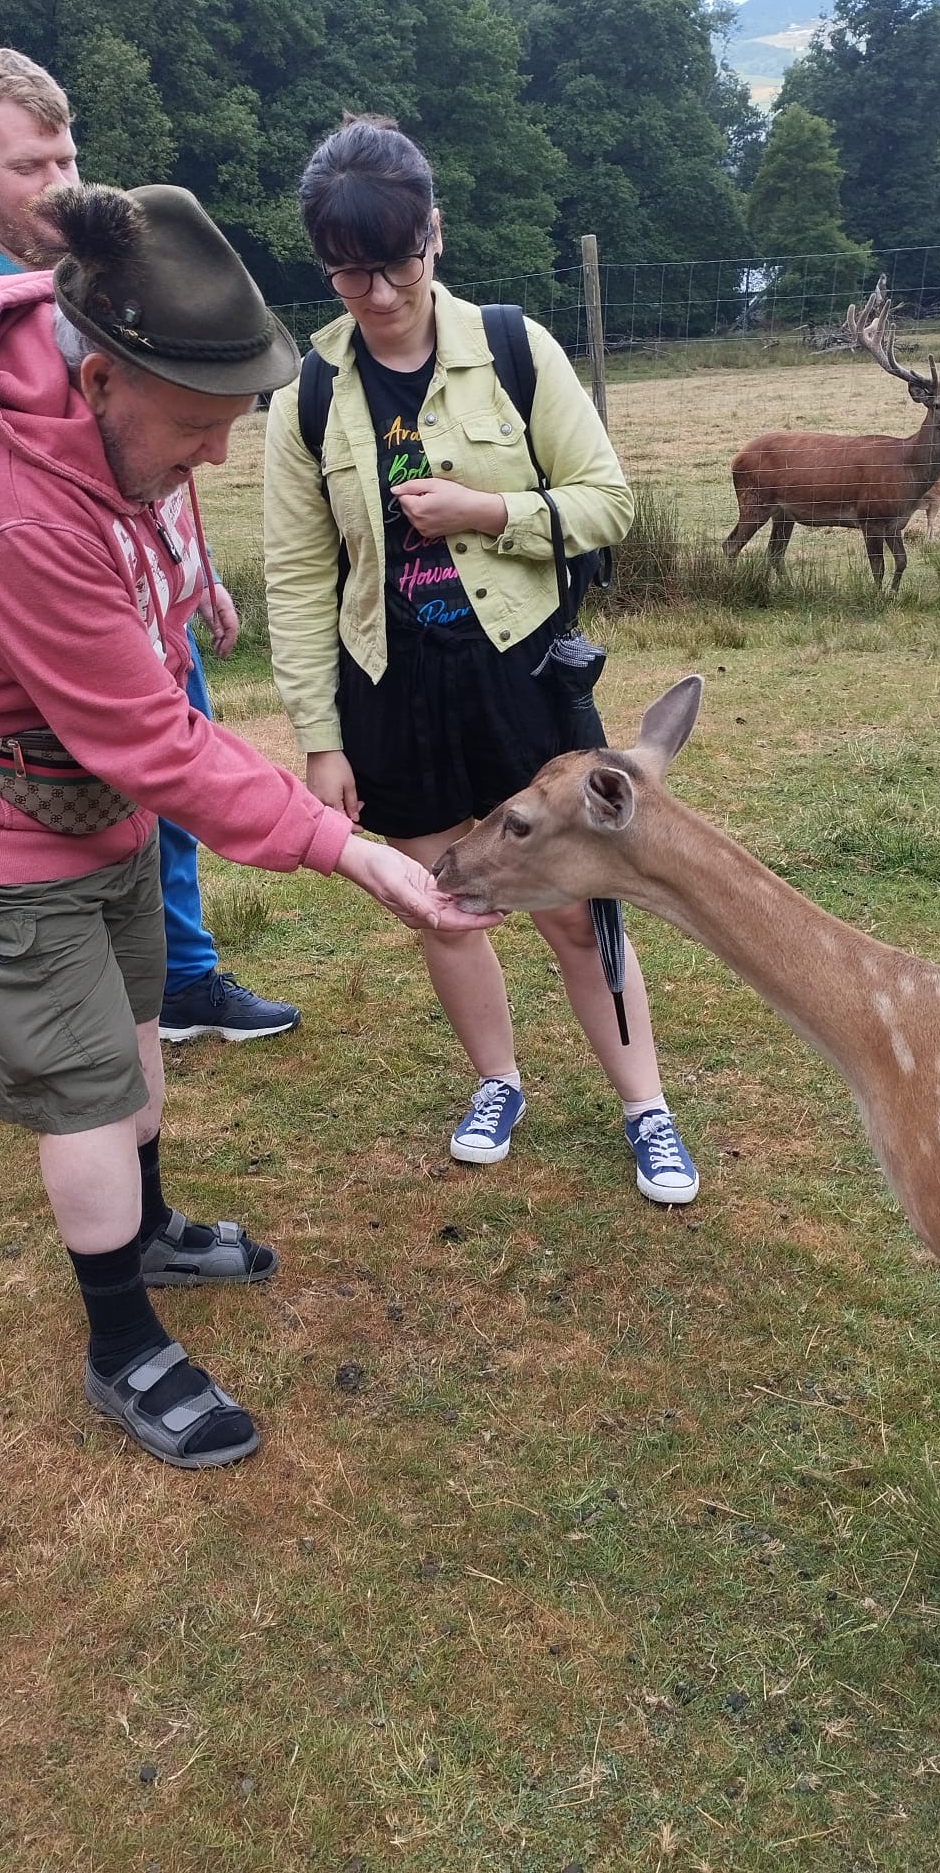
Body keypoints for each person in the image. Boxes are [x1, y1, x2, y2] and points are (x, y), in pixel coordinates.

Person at [0, 181, 492, 1467]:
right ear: (99, 379)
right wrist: (350, 851)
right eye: (196, 426)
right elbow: (150, 740)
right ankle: (122, 1341)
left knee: (136, 1028)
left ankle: (145, 1231)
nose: (217, 456)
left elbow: (150, 510)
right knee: (86, 1087)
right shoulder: (1, 496)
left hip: (80, 787)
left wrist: (186, 584)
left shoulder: (103, 387)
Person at [263, 116, 701, 1205]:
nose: (377, 294)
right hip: (388, 690)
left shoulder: (515, 349)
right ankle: (498, 1082)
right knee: (442, 903)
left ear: (435, 234)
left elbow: (609, 502)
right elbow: (298, 580)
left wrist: (488, 511)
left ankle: (646, 1107)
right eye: (348, 271)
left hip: (520, 680)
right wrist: (320, 739)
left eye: (397, 262)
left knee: (575, 908)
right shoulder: (306, 397)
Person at [0, 45, 295, 1045]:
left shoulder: (104, 280)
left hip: (140, 593)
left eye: (66, 160)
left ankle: (178, 977)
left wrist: (197, 573)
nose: (55, 185)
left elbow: (157, 444)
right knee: (99, 779)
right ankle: (24, 972)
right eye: (26, 166)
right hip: (17, 613)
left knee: (168, 782)